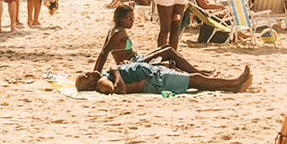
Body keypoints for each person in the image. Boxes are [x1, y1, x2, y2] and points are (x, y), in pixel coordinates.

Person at [93, 5, 204, 74]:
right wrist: (96, 73)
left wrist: (95, 71)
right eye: (130, 18)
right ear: (121, 18)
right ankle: (198, 73)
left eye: (133, 18)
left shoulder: (114, 29)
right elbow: (104, 52)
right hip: (132, 63)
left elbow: (103, 50)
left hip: (136, 59)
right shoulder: (119, 32)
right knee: (168, 51)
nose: (132, 21)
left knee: (166, 48)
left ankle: (196, 72)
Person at [76, 61, 251, 95]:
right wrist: (116, 72)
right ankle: (234, 81)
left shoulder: (102, 76)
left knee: (194, 81)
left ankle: (232, 87)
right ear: (90, 84)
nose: (88, 72)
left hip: (154, 75)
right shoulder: (101, 82)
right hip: (154, 81)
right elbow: (118, 90)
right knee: (195, 79)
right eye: (85, 76)